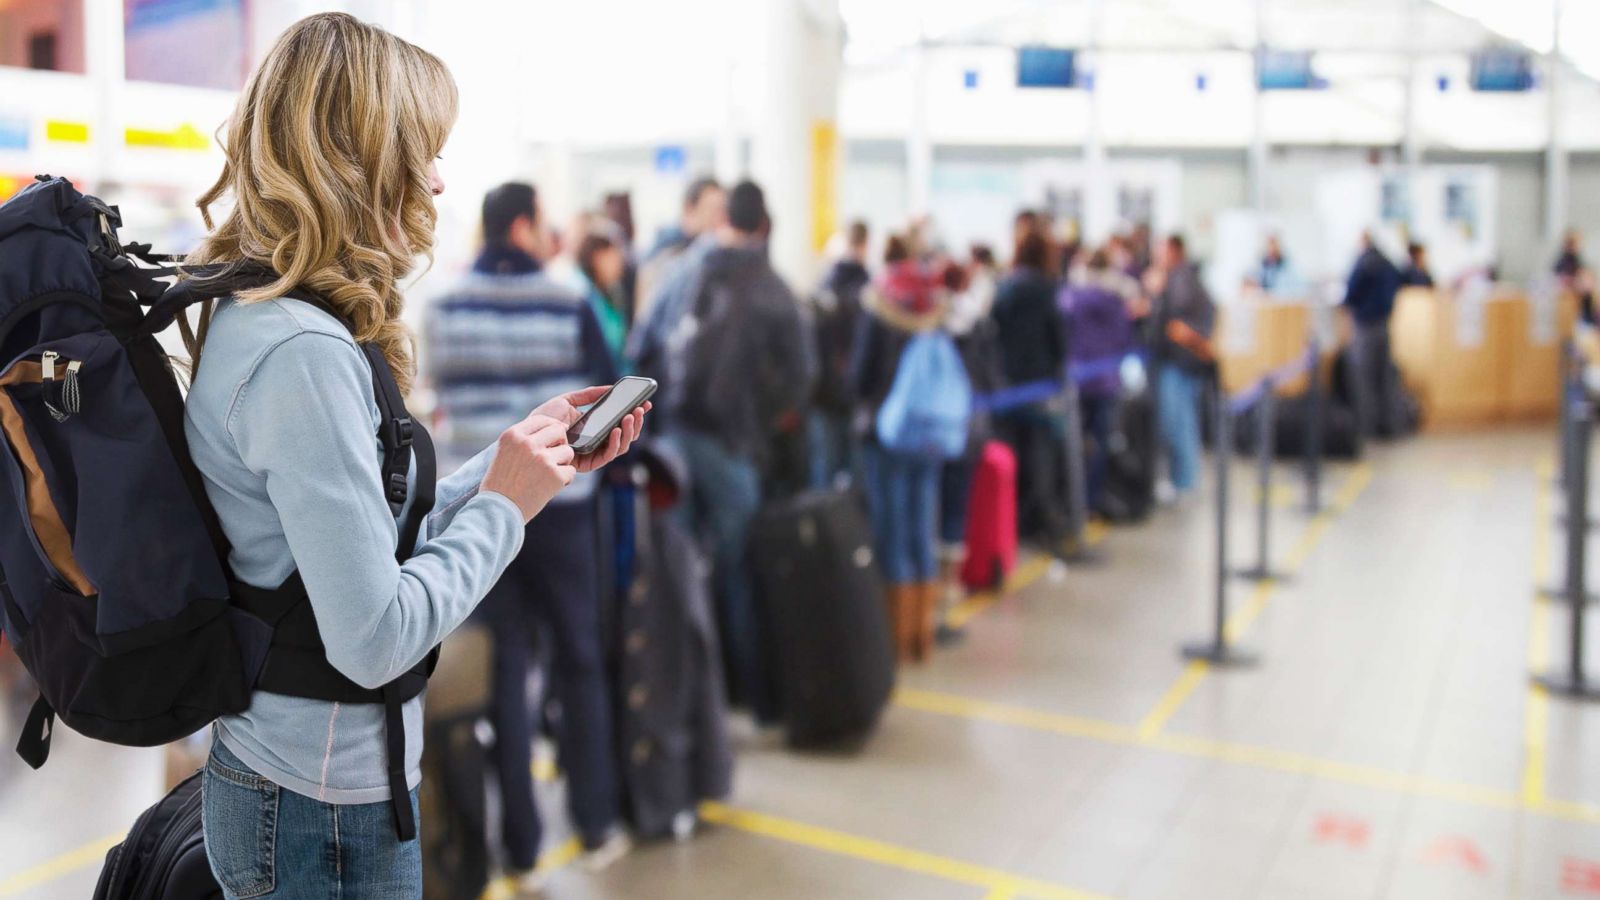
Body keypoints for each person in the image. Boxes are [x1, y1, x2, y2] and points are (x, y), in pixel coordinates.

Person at [180, 14, 645, 898]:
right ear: (356, 161)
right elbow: (375, 638)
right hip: (319, 812)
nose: (436, 181)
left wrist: (512, 463)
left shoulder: (275, 317)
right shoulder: (300, 353)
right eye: (419, 152)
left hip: (311, 789)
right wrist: (506, 510)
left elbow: (357, 533)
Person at [425, 182, 632, 887]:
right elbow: (604, 398)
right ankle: (597, 821)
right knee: (579, 658)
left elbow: (440, 395)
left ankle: (520, 846)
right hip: (565, 510)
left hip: (485, 508)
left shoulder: (443, 305)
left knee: (504, 672)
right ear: (520, 228)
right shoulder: (566, 297)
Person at [672, 180, 812, 723]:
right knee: (741, 572)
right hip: (733, 449)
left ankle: (692, 699)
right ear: (766, 226)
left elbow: (647, 348)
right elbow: (801, 378)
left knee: (684, 572)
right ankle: (751, 696)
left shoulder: (689, 274)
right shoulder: (774, 288)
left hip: (676, 439)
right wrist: (765, 423)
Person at [852, 236, 951, 662]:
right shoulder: (934, 304)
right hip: (929, 435)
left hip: (885, 435)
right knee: (921, 530)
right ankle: (922, 638)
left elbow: (859, 376)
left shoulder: (880, 305)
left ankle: (894, 640)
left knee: (891, 531)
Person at [991, 229, 1070, 546]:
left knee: (1012, 457)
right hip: (1040, 385)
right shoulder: (1049, 291)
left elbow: (993, 330)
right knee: (1041, 458)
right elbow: (1058, 338)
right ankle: (1042, 521)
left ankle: (1013, 524)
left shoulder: (1005, 288)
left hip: (1008, 385)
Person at [1059, 248, 1135, 514]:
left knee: (1074, 443)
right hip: (1107, 381)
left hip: (1077, 381)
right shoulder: (1116, 299)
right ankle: (1090, 499)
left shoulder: (1070, 299)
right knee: (1100, 444)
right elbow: (1124, 340)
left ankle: (1072, 500)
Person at [1147, 234, 1216, 499]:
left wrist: (1156, 294)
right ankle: (1183, 479)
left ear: (1174, 250)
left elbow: (1172, 318)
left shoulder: (1179, 279)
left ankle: (1184, 481)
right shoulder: (1186, 277)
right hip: (1183, 363)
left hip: (1180, 362)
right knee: (1181, 422)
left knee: (1178, 423)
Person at [808, 220, 872, 489]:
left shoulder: (822, 287)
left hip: (824, 394)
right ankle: (853, 528)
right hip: (857, 393)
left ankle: (820, 529)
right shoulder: (871, 290)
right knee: (857, 472)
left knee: (824, 466)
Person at [635, 176, 726, 321]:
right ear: (688, 209)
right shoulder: (664, 257)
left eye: (722, 210)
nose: (719, 219)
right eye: (712, 210)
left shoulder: (718, 258)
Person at [1342, 231, 1403, 438]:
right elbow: (1400, 281)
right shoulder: (1388, 262)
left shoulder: (1364, 263)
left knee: (1363, 378)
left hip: (1365, 326)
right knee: (1385, 378)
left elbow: (1350, 293)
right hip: (1384, 325)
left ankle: (1366, 427)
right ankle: (1390, 426)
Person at [575, 215, 631, 372]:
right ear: (597, 257)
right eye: (614, 255)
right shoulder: (583, 295)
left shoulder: (612, 293)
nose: (620, 262)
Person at [1555, 230, 1593, 324]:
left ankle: (1586, 318)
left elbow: (1583, 272)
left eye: (1575, 243)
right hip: (1564, 289)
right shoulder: (1562, 259)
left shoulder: (1578, 259)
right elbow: (1556, 274)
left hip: (1577, 288)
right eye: (1570, 243)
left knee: (1586, 285)